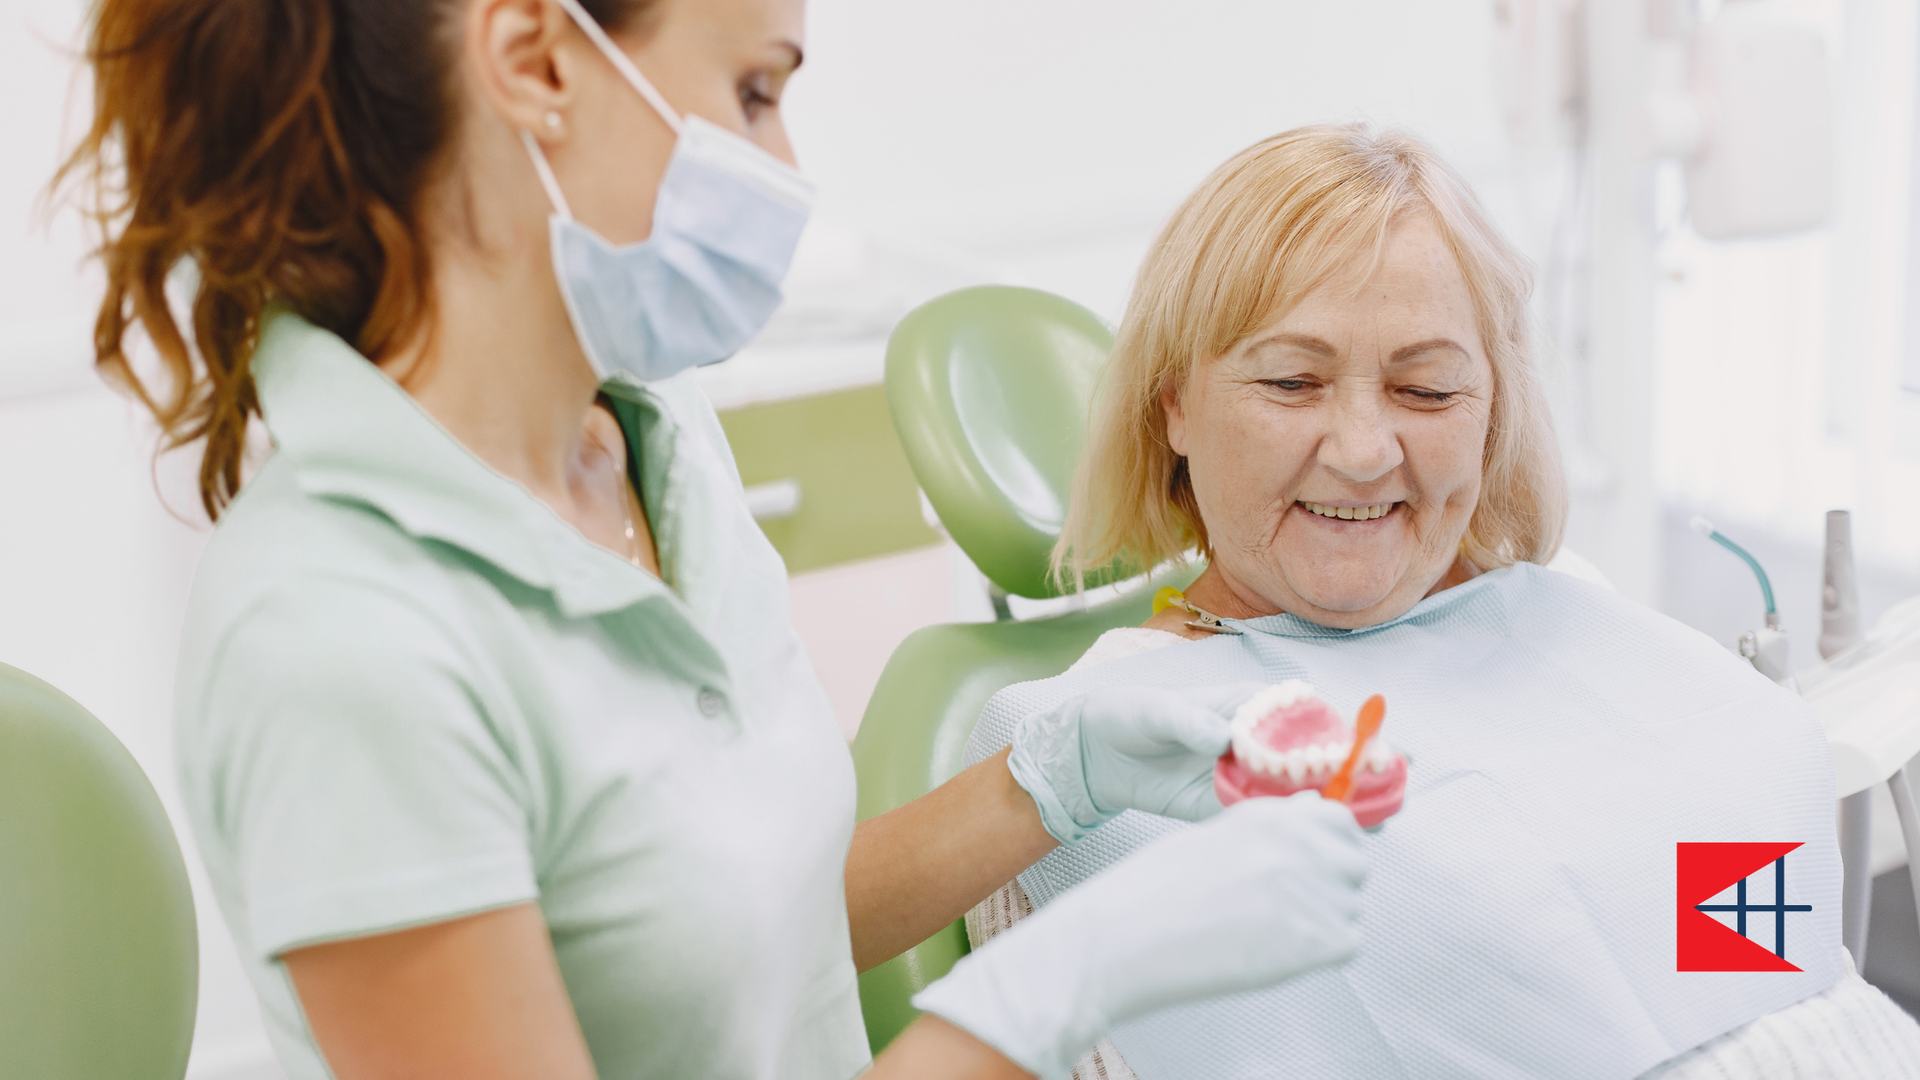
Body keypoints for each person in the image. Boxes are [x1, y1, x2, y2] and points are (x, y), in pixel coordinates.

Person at [57, 2, 1372, 1079]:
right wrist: (1052, 991)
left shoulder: (646, 447)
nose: (787, 171)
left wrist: (1055, 775)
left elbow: (729, 934)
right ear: (538, 61)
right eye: (754, 94)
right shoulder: (342, 635)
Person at [963, 124, 1920, 1079]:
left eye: (1425, 390)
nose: (1365, 449)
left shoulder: (1564, 604)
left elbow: (1747, 935)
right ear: (1174, 404)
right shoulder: (1094, 748)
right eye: (1293, 382)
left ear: (1493, 406)